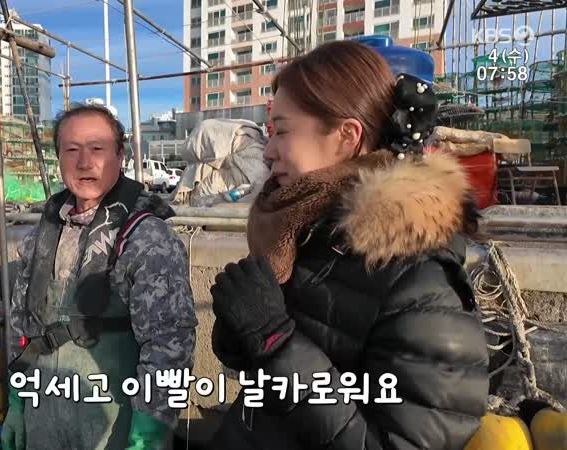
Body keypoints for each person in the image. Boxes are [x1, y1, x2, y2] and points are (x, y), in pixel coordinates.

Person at [208, 41, 489, 449]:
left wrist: (275, 342)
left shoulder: (422, 281)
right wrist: (241, 329)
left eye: (282, 131)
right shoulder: (306, 232)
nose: (267, 152)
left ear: (346, 136)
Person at [1, 104, 198, 450]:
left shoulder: (147, 239)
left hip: (115, 427)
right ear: (59, 158)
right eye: (71, 150)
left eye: (97, 148)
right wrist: (17, 402)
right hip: (43, 420)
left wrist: (149, 431)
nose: (84, 162)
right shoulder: (41, 237)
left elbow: (170, 344)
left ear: (120, 155)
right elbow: (23, 324)